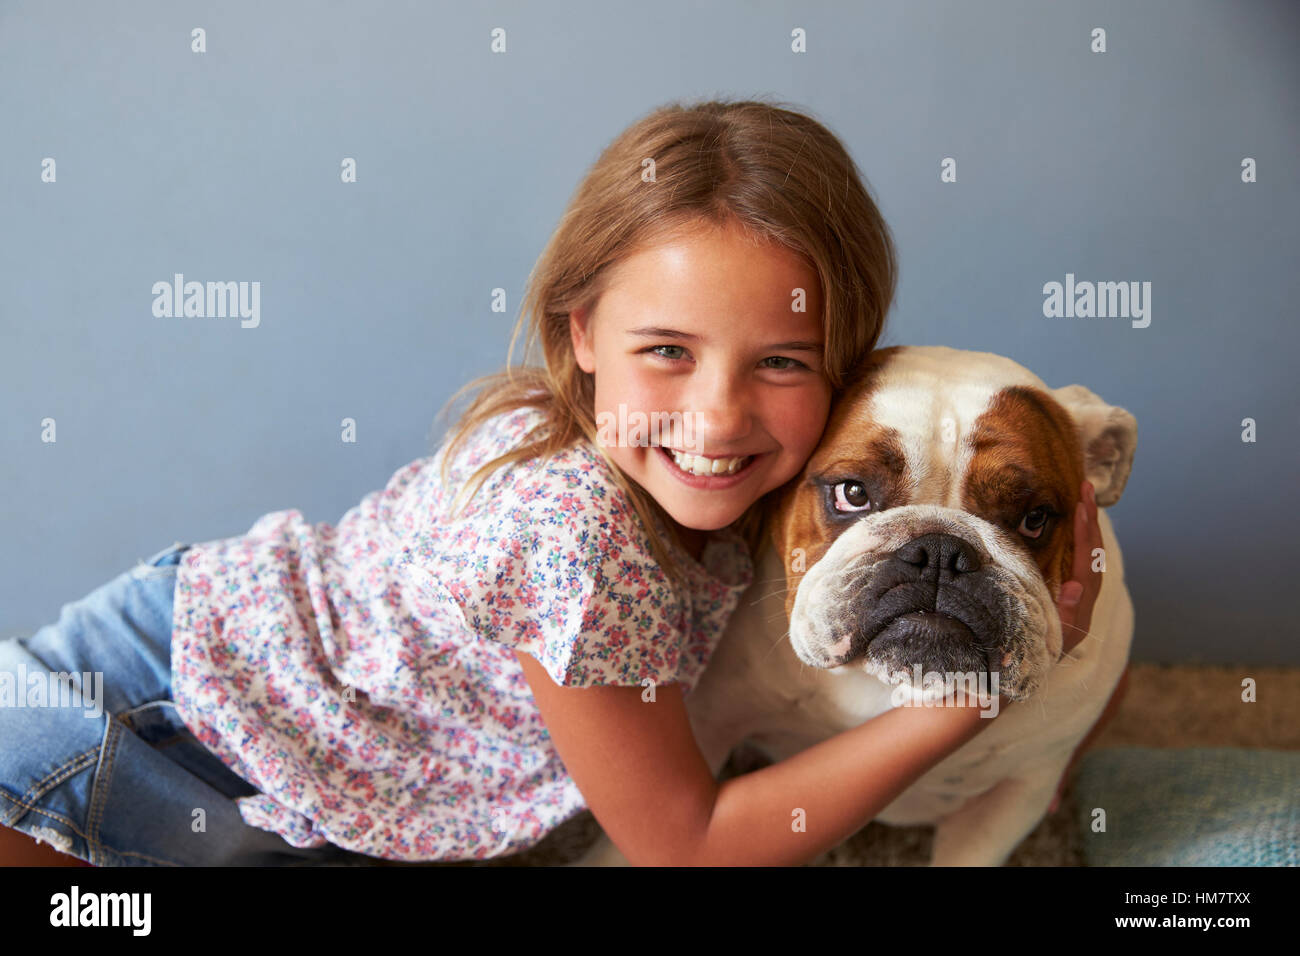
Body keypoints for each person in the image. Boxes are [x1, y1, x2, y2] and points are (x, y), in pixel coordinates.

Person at [0, 97, 1105, 867]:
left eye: (778, 361)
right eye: (667, 349)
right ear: (581, 331)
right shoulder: (578, 540)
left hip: (263, 723)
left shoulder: (693, 461)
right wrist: (970, 697)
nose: (716, 417)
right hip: (153, 718)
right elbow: (688, 843)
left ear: (851, 368)